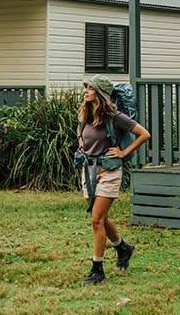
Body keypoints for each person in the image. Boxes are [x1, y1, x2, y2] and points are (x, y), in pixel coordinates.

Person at [76, 75, 151, 286]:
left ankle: (97, 270)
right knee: (97, 216)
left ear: (99, 92)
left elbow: (144, 134)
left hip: (109, 171)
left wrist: (123, 152)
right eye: (86, 87)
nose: (86, 91)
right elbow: (80, 132)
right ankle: (122, 248)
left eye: (90, 88)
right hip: (88, 170)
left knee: (96, 220)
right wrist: (81, 144)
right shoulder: (85, 113)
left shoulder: (115, 116)